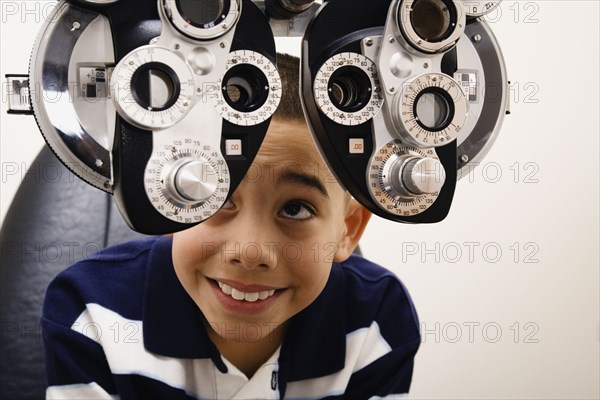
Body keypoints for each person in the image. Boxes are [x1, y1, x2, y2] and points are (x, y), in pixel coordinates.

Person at [42, 54, 421, 399]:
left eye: (295, 209)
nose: (250, 252)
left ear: (348, 230)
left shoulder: (377, 320)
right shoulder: (91, 313)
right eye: (217, 196)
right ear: (166, 204)